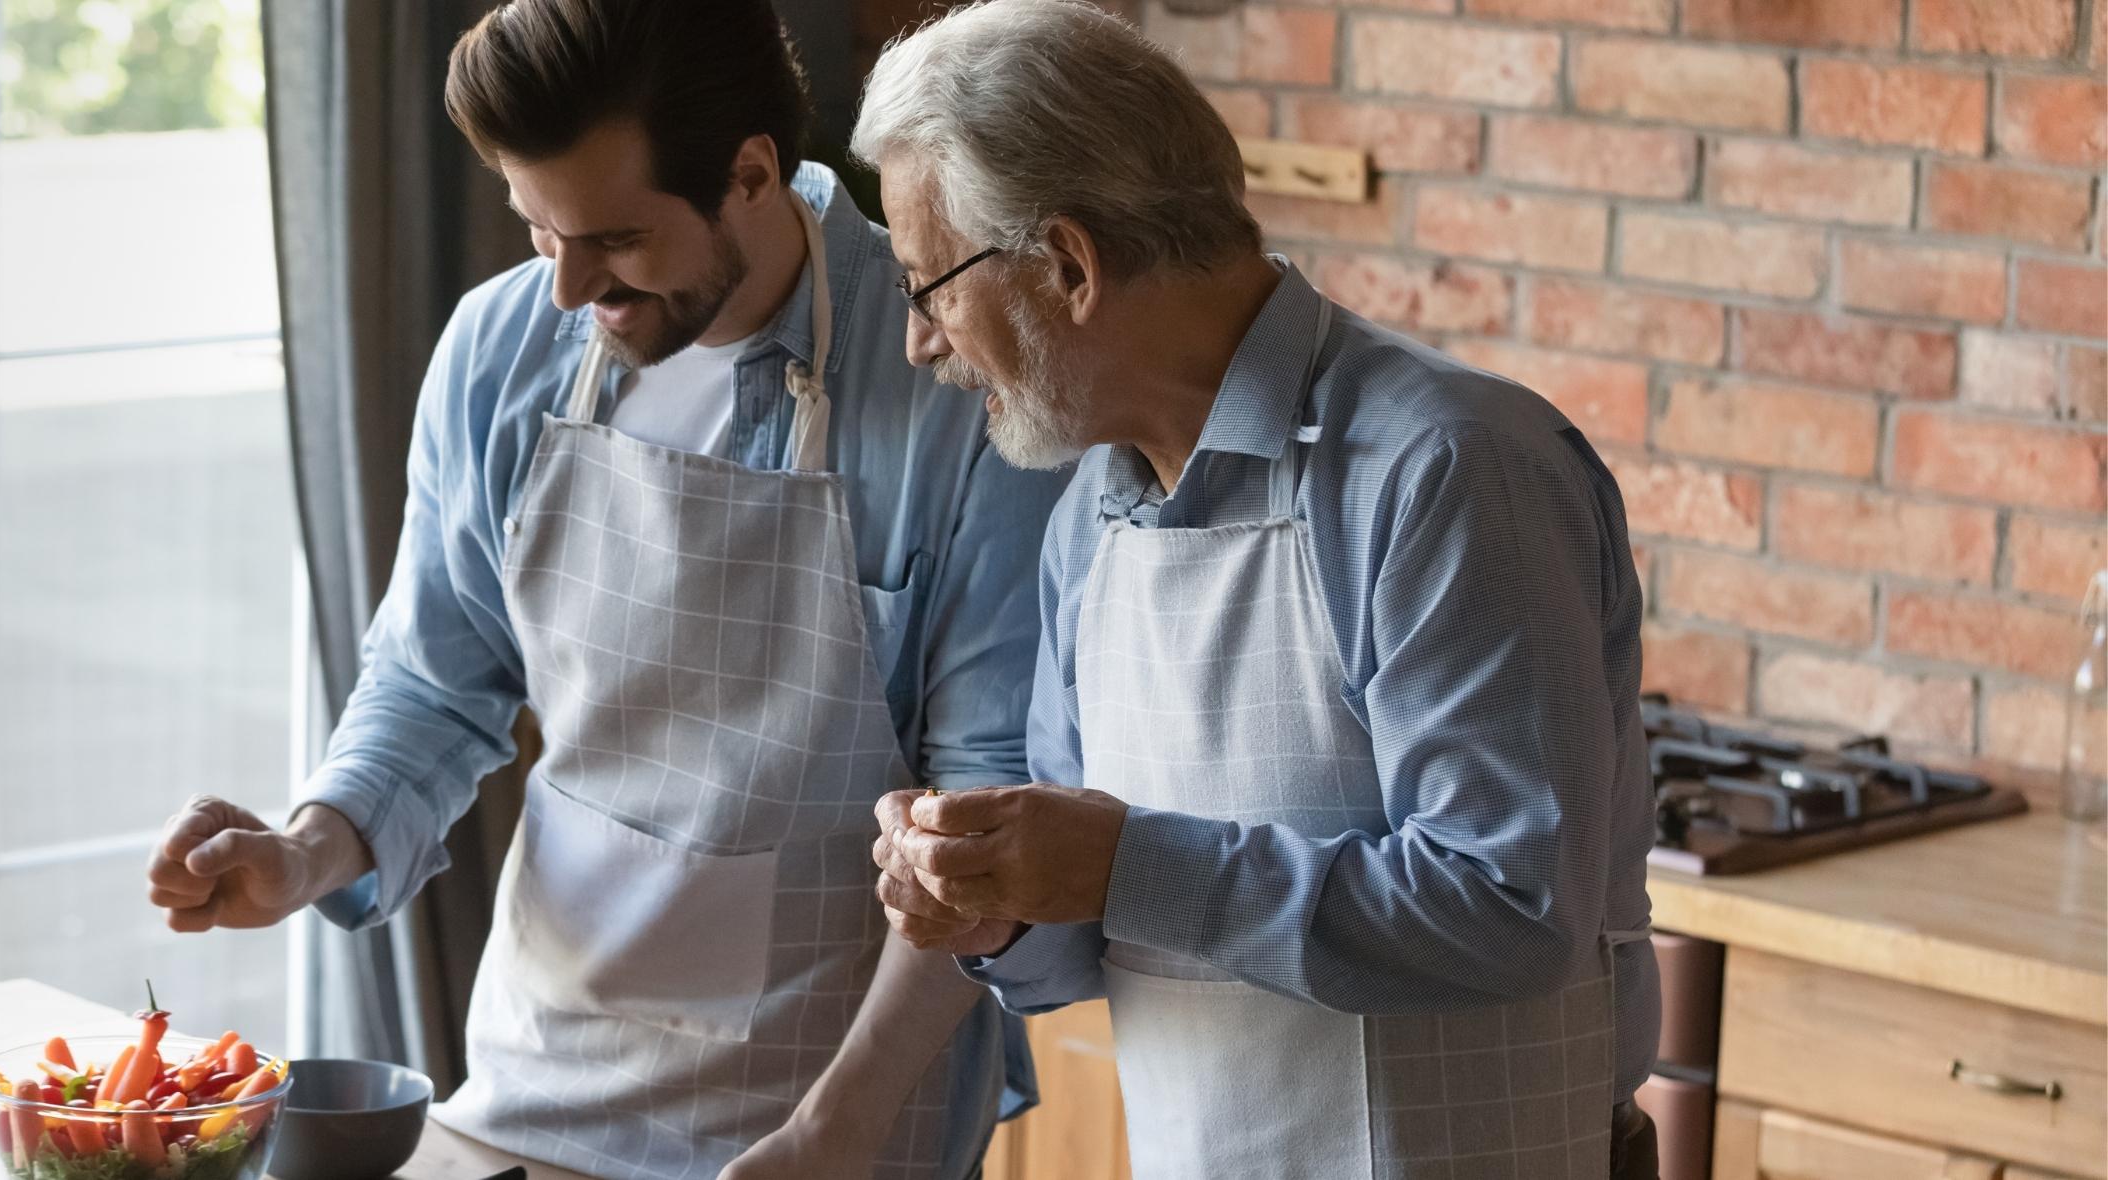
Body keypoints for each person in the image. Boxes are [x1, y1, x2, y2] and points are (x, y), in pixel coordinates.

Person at [142, 2, 1065, 1176]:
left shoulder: (950, 379)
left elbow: (980, 813)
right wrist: (306, 848)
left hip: (827, 1102)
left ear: (748, 172)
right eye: (540, 232)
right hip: (538, 1071)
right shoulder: (499, 348)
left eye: (617, 240)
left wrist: (840, 1129)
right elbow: (434, 680)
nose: (572, 287)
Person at [855, 3, 1662, 1176]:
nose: (922, 341)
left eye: (929, 283)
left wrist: (1124, 864)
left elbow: (1509, 904)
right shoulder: (1089, 511)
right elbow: (1087, 934)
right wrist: (996, 905)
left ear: (1068, 265)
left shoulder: (1444, 468)